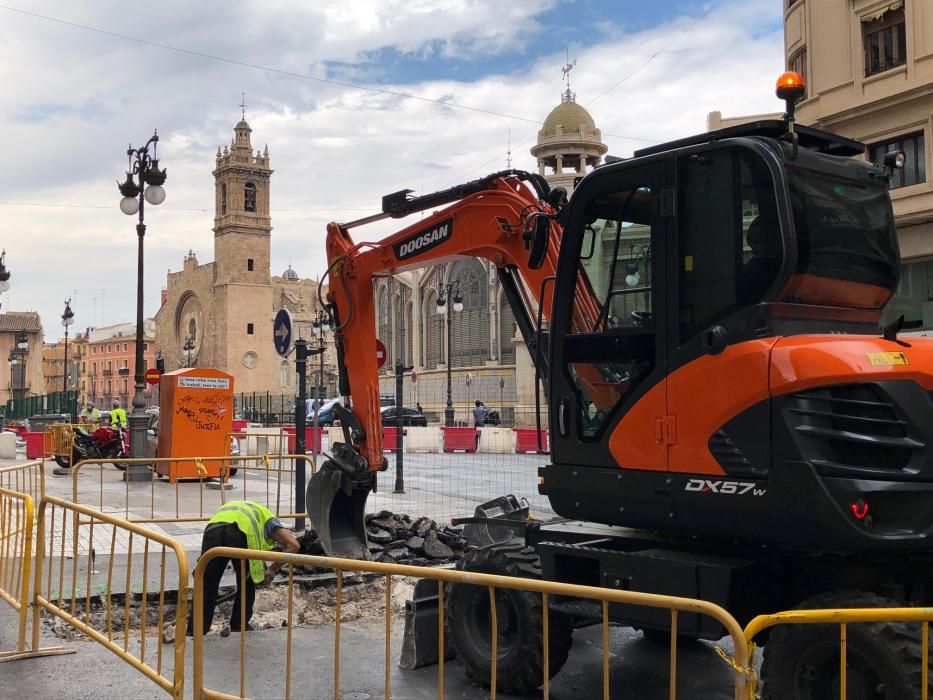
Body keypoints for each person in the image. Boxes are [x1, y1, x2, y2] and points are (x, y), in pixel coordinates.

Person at [187, 500, 300, 636]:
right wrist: (273, 568)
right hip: (240, 532)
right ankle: (239, 626)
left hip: (213, 529)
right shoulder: (270, 522)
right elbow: (294, 545)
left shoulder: (249, 510)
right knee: (247, 583)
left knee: (206, 584)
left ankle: (195, 632)